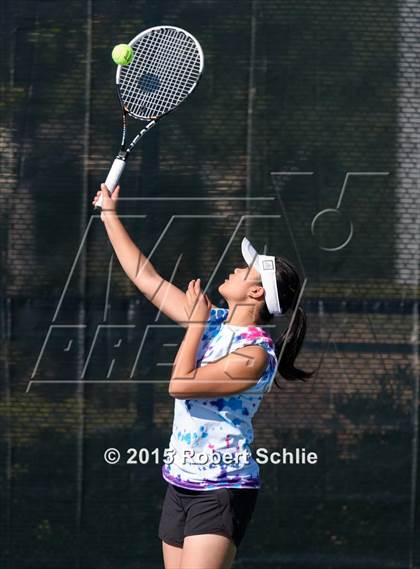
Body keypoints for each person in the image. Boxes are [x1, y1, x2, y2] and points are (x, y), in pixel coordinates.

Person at [92, 184, 314, 569]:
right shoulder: (213, 322)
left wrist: (195, 325)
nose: (236, 268)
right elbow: (146, 277)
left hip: (223, 489)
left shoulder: (255, 355)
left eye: (245, 270)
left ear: (256, 292)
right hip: (180, 482)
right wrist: (109, 214)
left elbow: (180, 385)